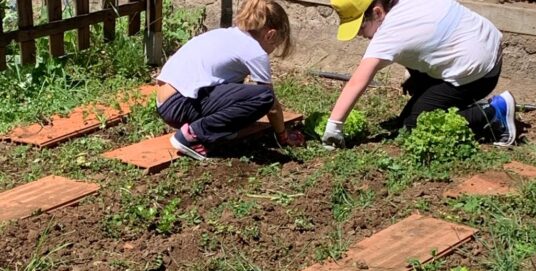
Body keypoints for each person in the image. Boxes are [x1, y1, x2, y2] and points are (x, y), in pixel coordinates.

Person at [322, 0, 517, 150]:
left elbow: (358, 81)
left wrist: (334, 128)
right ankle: (435, 91)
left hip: (480, 74)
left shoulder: (390, 32)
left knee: (414, 127)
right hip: (482, 43)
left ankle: (494, 113)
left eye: (360, 27)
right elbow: (429, 31)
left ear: (377, 12)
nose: (359, 35)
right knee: (406, 117)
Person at [155, 0, 305, 160]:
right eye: (275, 45)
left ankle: (210, 128)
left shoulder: (226, 34)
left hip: (165, 102)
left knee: (240, 88)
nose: (272, 51)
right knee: (264, 96)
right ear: (270, 35)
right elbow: (272, 106)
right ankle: (192, 135)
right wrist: (283, 136)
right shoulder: (255, 51)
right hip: (179, 105)